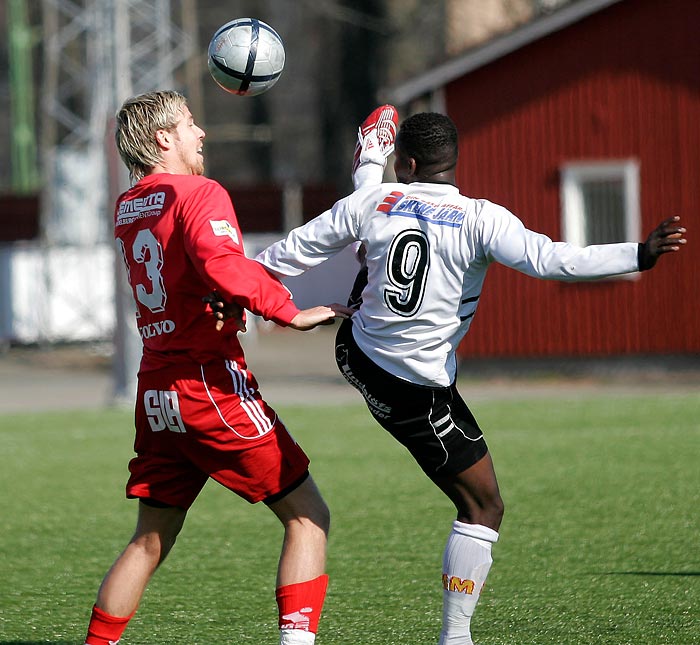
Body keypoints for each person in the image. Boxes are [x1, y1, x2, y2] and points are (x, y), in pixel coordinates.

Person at [244, 109, 687, 644]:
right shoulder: (484, 218)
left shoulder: (373, 201)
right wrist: (638, 253)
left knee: (366, 212)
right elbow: (554, 260)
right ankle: (456, 638)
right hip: (414, 388)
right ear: (450, 164)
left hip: (355, 348)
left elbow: (284, 255)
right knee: (483, 505)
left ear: (406, 163)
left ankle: (369, 156)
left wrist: (235, 291)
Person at [83, 90, 352, 645]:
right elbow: (221, 262)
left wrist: (221, 299)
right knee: (308, 515)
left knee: (149, 539)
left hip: (155, 390)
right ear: (163, 139)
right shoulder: (199, 191)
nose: (201, 133)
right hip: (207, 383)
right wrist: (288, 311)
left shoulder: (129, 204)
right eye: (188, 124)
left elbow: (188, 272)